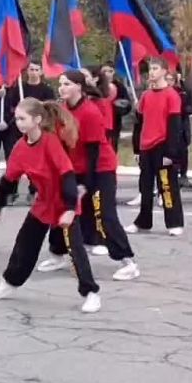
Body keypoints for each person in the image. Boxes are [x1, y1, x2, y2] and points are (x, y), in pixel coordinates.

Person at [0, 97, 102, 313]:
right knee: (24, 244)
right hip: (44, 203)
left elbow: (67, 175)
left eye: (22, 118)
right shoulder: (20, 147)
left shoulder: (50, 142)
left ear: (37, 119)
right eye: (16, 118)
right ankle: (9, 283)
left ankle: (91, 293)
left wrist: (68, 208)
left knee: (75, 250)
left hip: (65, 201)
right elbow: (9, 180)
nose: (18, 123)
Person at [37, 71, 140, 282]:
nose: (61, 88)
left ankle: (128, 262)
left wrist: (87, 184)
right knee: (61, 208)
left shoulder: (90, 112)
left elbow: (93, 152)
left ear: (79, 87)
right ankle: (58, 254)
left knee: (104, 214)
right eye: (60, 84)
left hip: (100, 169)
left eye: (66, 84)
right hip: (74, 168)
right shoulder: (61, 111)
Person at [126, 57, 184, 235]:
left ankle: (174, 223)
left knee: (166, 186)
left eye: (156, 68)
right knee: (145, 187)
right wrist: (137, 148)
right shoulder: (145, 95)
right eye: (150, 69)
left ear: (165, 72)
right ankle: (143, 221)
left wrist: (171, 153)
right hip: (146, 147)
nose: (151, 72)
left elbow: (175, 126)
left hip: (162, 146)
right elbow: (139, 123)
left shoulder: (172, 95)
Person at [168, 71, 192, 189]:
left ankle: (183, 175)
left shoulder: (184, 91)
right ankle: (172, 175)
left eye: (171, 79)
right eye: (167, 79)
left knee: (182, 152)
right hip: (168, 126)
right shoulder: (164, 92)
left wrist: (182, 110)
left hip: (182, 125)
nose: (169, 81)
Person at [98, 64, 132, 152]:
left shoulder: (120, 87)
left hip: (114, 121)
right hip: (99, 121)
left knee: (112, 145)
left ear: (114, 72)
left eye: (110, 71)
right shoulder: (96, 87)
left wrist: (119, 108)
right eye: (104, 71)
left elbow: (127, 104)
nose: (107, 73)